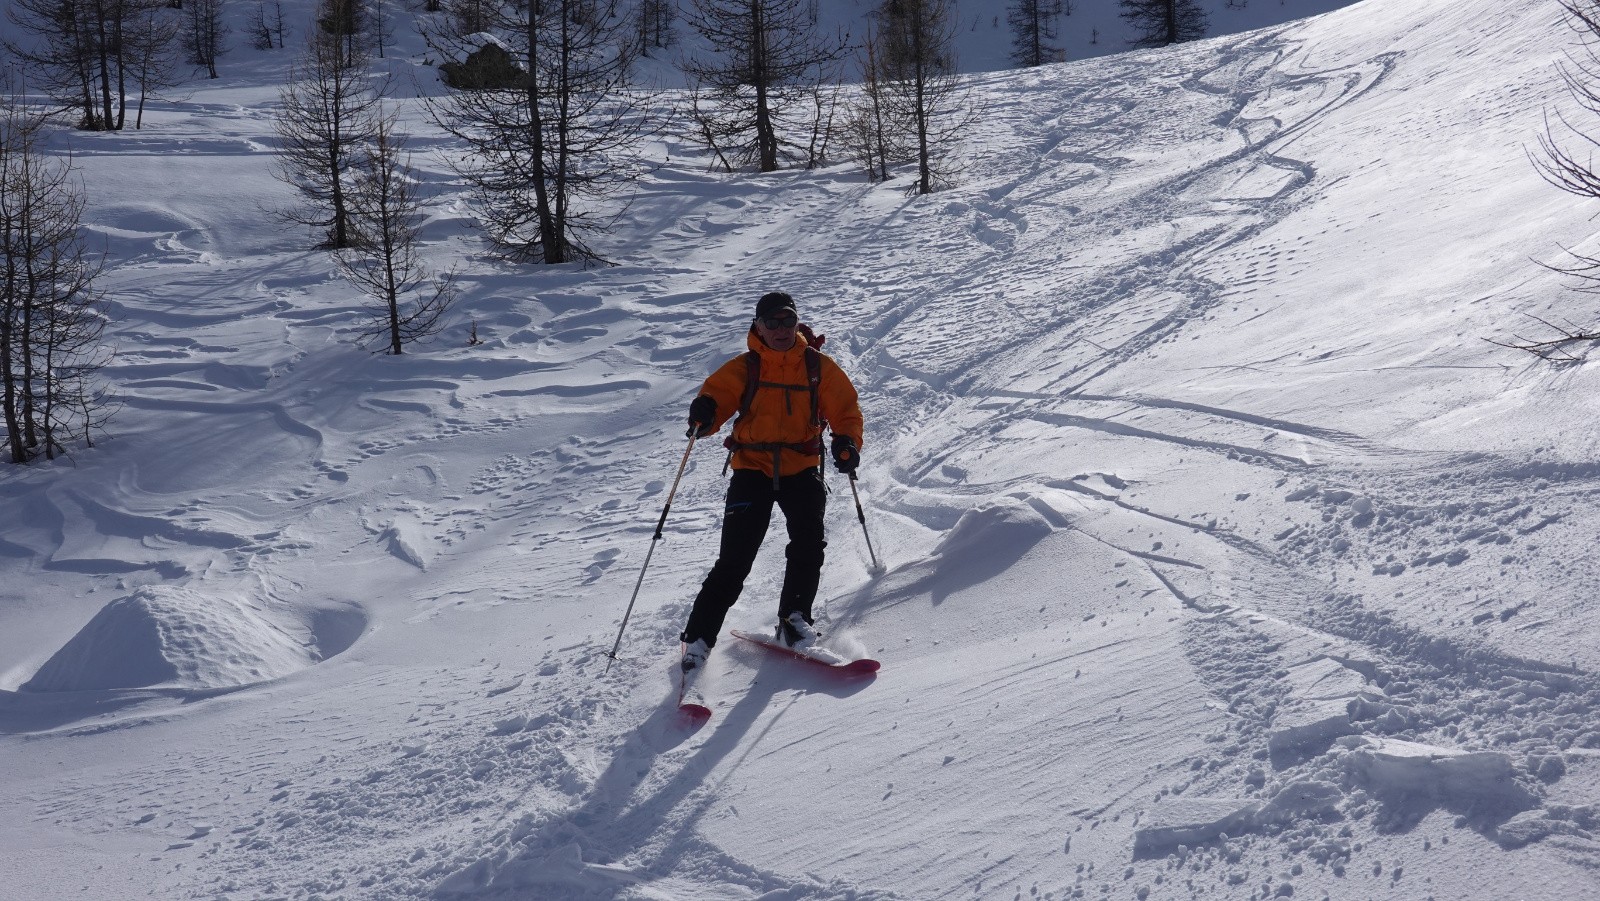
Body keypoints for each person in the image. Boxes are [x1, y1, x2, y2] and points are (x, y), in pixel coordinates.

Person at [678, 291, 865, 673]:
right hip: (752, 468)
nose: (781, 329)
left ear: (796, 323)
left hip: (801, 466)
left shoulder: (817, 367)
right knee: (735, 559)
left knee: (808, 544)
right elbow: (716, 399)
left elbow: (846, 411)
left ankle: (794, 620)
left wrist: (846, 441)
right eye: (772, 322)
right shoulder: (745, 367)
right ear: (758, 326)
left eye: (787, 321)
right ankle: (698, 638)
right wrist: (705, 413)